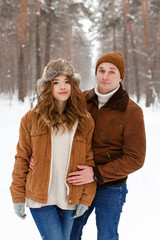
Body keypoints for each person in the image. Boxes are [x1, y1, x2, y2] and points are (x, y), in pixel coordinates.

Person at [10, 58, 96, 240]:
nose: (62, 87)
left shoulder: (85, 120)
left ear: (73, 85)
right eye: (56, 82)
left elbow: (88, 160)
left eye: (66, 81)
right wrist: (17, 195)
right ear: (48, 86)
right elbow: (22, 157)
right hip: (41, 197)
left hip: (71, 196)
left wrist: (86, 198)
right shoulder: (31, 118)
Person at [67, 51, 146, 240]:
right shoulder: (80, 101)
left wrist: (96, 173)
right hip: (80, 183)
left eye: (112, 71)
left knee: (106, 236)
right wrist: (36, 156)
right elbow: (59, 134)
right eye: (101, 70)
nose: (105, 76)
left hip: (111, 187)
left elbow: (135, 159)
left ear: (120, 77)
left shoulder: (132, 111)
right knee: (70, 234)